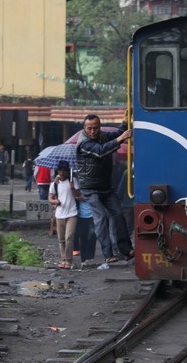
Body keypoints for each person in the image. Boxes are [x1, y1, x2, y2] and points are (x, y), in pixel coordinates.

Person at [75, 113, 134, 264]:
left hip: (106, 187)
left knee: (118, 214)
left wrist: (125, 121)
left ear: (99, 127)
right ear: (84, 129)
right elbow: (101, 151)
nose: (93, 131)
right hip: (90, 188)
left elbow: (118, 133)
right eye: (90, 129)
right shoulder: (83, 144)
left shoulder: (102, 135)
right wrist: (120, 139)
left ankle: (126, 250)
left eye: (95, 128)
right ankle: (108, 253)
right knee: (101, 217)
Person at [48, 161, 81, 270]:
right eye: (60, 170)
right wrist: (55, 201)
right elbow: (50, 198)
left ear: (68, 171)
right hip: (60, 214)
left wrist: (72, 188)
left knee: (69, 237)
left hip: (72, 213)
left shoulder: (73, 181)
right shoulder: (54, 184)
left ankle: (68, 260)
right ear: (58, 171)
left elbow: (79, 196)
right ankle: (63, 259)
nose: (62, 172)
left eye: (64, 170)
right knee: (61, 239)